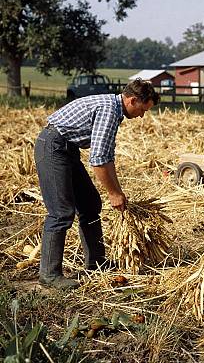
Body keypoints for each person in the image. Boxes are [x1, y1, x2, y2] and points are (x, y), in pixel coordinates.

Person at [34, 79, 160, 289]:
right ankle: (49, 274)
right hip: (53, 147)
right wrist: (113, 194)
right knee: (61, 212)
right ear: (133, 100)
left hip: (67, 150)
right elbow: (99, 159)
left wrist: (117, 191)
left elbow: (107, 157)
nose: (141, 116)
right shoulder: (109, 111)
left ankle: (96, 262)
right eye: (142, 109)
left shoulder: (114, 109)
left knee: (90, 204)